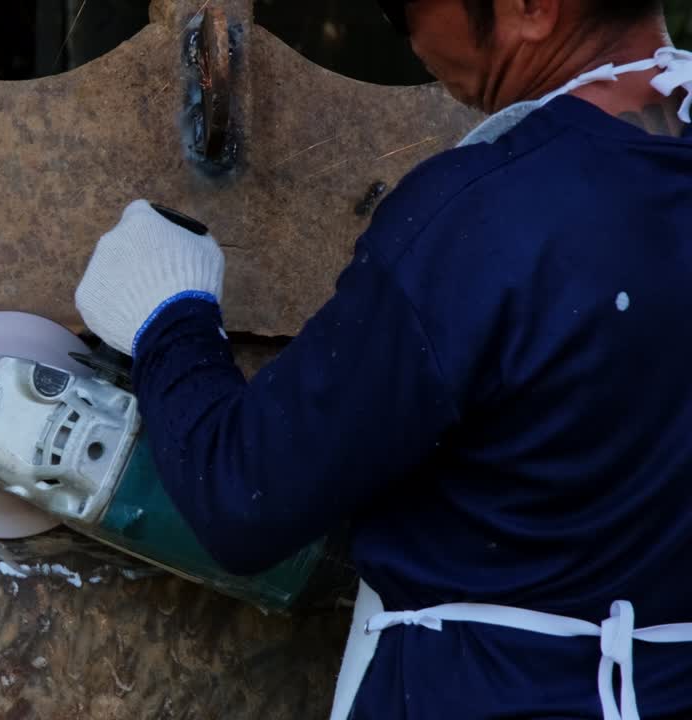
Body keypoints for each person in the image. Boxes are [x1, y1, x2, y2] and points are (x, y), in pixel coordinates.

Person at [73, 1, 692, 718]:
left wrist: (167, 318)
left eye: (404, 9)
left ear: (530, 6)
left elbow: (244, 495)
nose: (411, 38)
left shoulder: (485, 216)